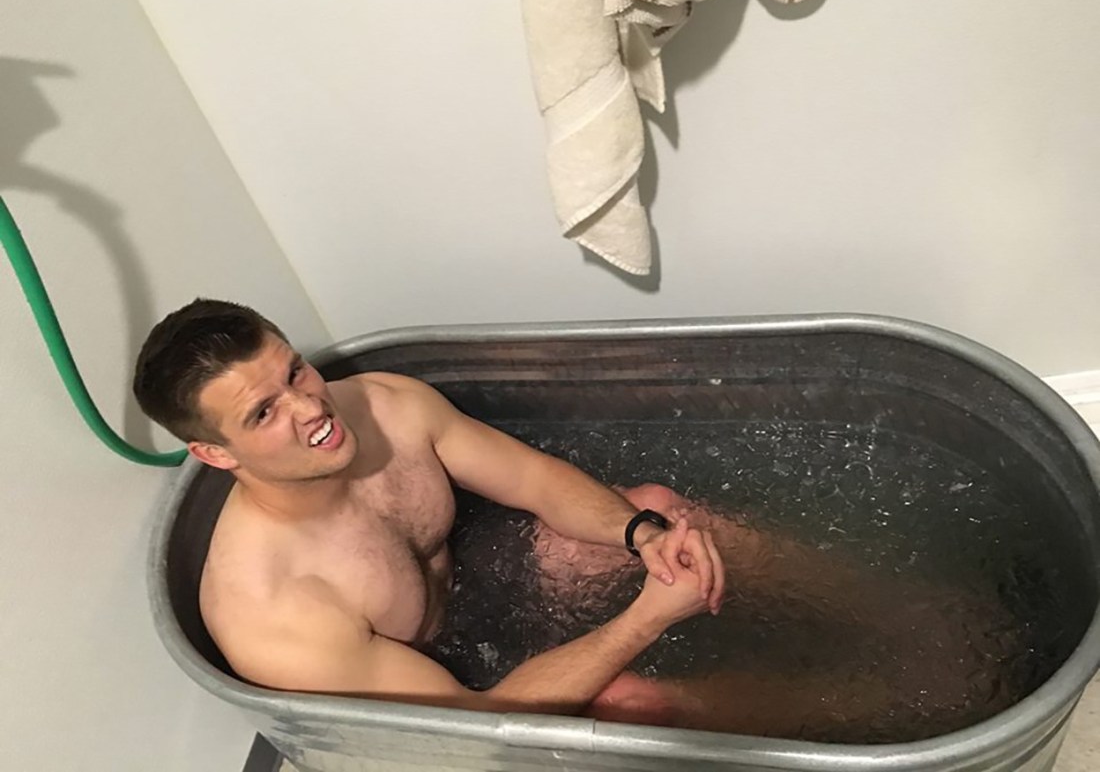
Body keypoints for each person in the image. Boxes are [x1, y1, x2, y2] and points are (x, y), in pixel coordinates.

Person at [133, 299, 725, 716]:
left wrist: (643, 535)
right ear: (214, 453)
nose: (311, 409)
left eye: (295, 372)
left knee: (658, 510)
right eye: (264, 413)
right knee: (628, 701)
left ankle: (792, 597)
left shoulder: (386, 406)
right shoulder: (273, 616)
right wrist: (645, 620)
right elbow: (476, 732)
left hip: (484, 578)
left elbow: (533, 480)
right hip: (443, 687)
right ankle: (779, 718)